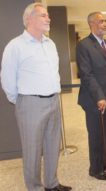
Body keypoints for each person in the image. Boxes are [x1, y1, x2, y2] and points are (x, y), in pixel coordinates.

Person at [0, 3, 71, 191]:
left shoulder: (51, 44)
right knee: (32, 151)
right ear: (29, 19)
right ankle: (35, 188)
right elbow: (7, 79)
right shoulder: (15, 46)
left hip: (53, 101)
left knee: (52, 146)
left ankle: (52, 183)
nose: (48, 18)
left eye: (48, 15)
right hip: (30, 103)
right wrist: (22, 101)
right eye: (43, 15)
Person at [76, 12, 106, 181]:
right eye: (101, 21)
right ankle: (95, 169)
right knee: (97, 135)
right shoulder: (84, 45)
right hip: (95, 100)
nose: (105, 23)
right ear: (92, 24)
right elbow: (87, 74)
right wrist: (99, 96)